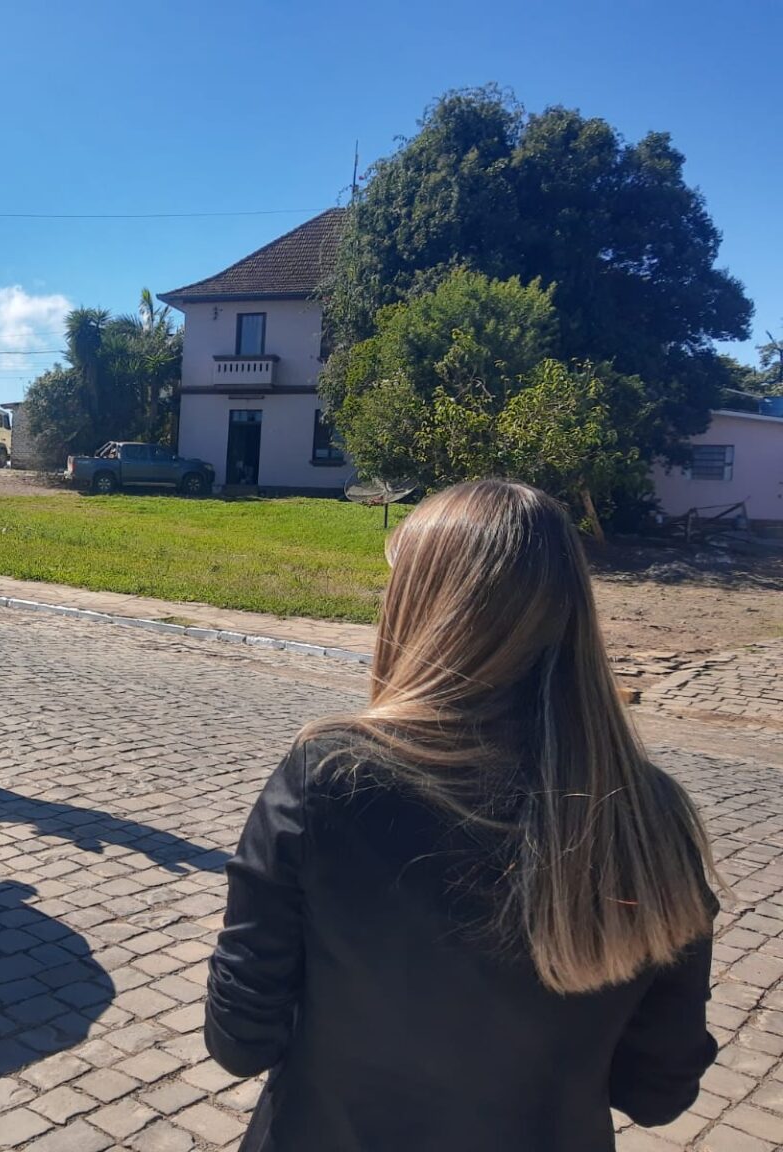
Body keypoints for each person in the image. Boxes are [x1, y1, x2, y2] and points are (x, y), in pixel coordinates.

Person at [207, 479, 720, 1152]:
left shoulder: (328, 778)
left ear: (419, 612)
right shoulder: (650, 814)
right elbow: (658, 1093)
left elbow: (240, 1040)